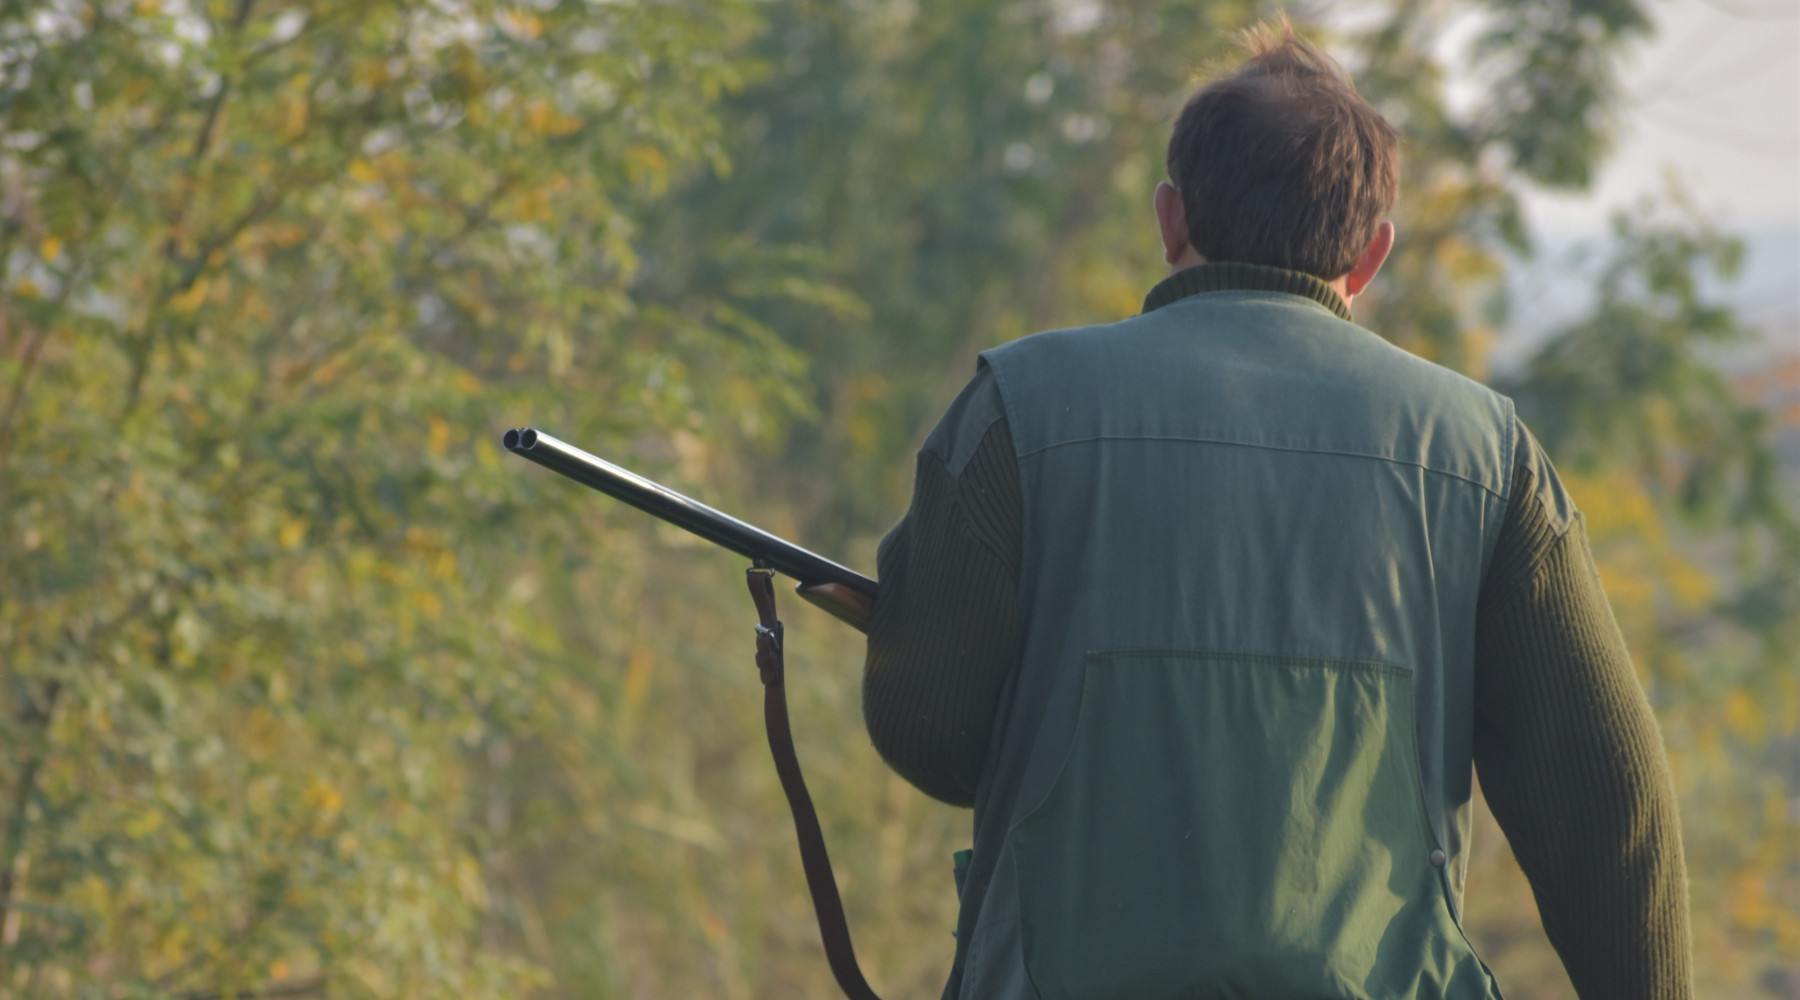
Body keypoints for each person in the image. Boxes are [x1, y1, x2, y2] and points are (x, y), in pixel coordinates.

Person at [859, 22, 1691, 1000]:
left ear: (1171, 218)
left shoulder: (1018, 408)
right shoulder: (1484, 455)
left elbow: (931, 732)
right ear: (1371, 253)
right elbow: (1608, 808)